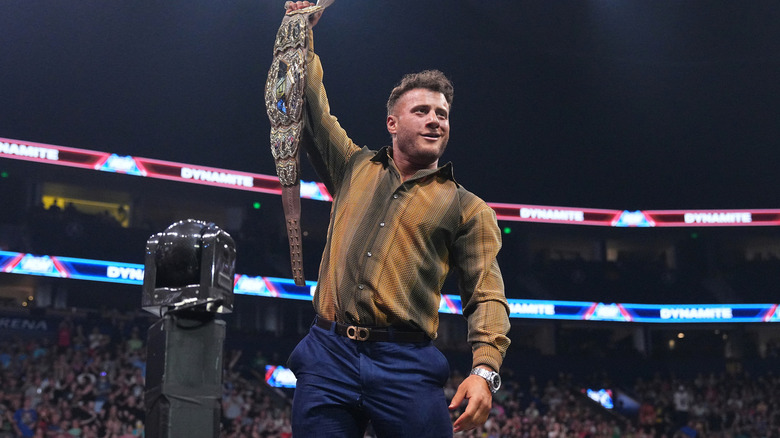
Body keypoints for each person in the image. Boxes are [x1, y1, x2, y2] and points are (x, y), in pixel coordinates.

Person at [280, 2, 511, 436]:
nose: (435, 121)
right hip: (329, 353)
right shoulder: (353, 167)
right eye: (422, 111)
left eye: (442, 114)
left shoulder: (469, 208)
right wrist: (302, 31)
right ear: (392, 122)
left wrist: (485, 369)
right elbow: (311, 109)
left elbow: (486, 294)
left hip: (406, 363)